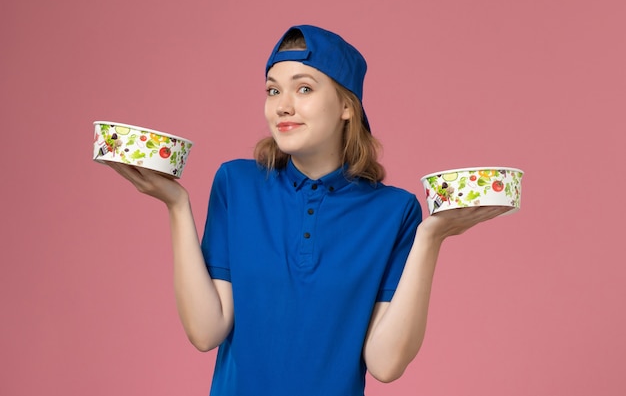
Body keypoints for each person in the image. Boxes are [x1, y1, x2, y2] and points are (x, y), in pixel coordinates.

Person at [107, 25, 510, 396]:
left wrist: (431, 237)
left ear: (346, 106)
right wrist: (177, 206)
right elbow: (205, 331)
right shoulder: (236, 184)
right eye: (272, 90)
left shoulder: (395, 211)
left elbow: (385, 365)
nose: (282, 106)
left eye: (303, 89)